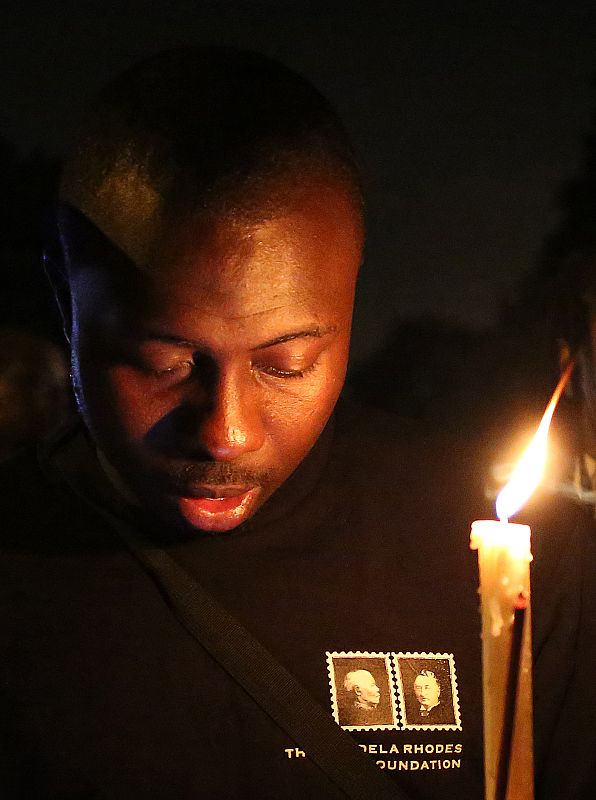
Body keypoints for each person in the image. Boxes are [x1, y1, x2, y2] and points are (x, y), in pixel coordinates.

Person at [0, 46, 590, 800]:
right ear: (65, 297)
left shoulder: (528, 564)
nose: (227, 432)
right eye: (164, 361)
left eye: (285, 365)